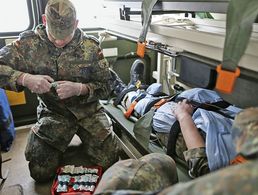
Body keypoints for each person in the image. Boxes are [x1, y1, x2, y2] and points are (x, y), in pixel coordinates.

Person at [0, 0, 120, 182]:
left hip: (89, 112)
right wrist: (25, 78)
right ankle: (60, 146)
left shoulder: (91, 48)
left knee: (109, 162)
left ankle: (74, 146)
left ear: (76, 24)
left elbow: (108, 86)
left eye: (65, 35)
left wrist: (81, 89)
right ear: (44, 20)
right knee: (40, 172)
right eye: (54, 34)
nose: (59, 41)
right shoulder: (28, 45)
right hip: (54, 113)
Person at [111, 65, 241, 178]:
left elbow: (201, 166)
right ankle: (138, 87)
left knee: (159, 110)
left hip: (194, 136)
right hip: (218, 121)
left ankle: (125, 93)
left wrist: (184, 116)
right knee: (193, 96)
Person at [94, 107, 258, 195]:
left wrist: (183, 115)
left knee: (126, 171)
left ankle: (129, 94)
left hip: (178, 126)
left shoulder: (241, 178)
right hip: (203, 123)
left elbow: (201, 165)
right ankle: (132, 92)